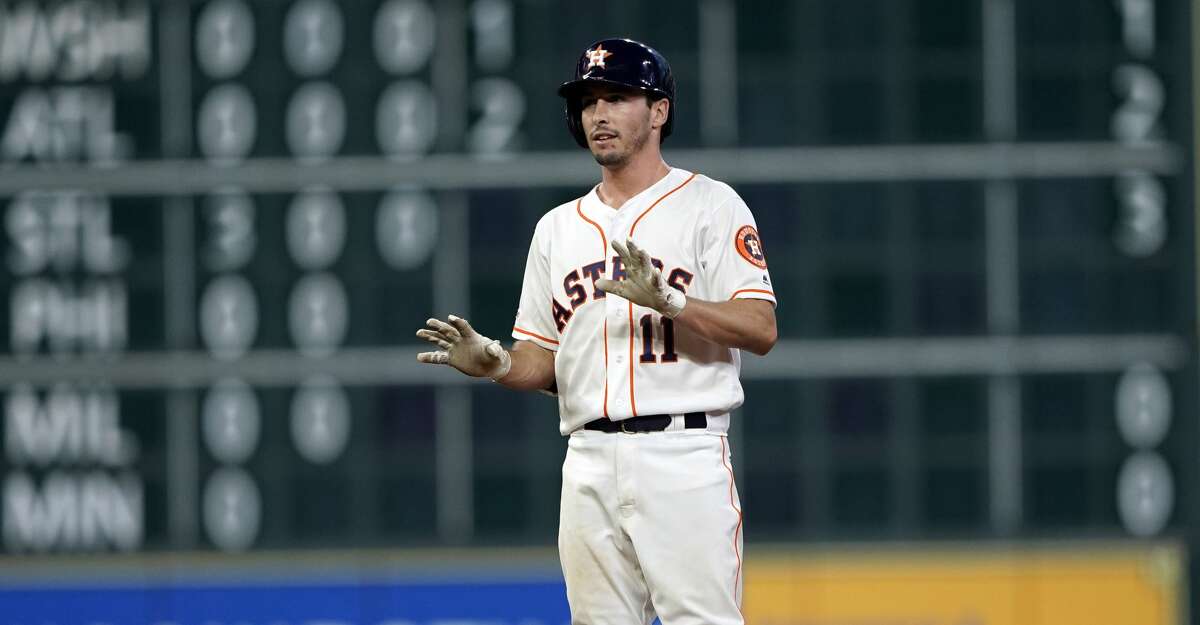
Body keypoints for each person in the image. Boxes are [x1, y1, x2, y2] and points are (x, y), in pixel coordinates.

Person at [416, 37, 776, 625]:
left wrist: (674, 302)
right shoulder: (557, 229)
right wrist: (498, 365)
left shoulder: (712, 205)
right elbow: (544, 361)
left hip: (682, 452)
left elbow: (760, 327)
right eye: (587, 103)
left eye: (617, 97)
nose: (598, 115)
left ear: (658, 111)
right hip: (586, 457)